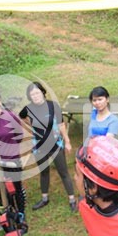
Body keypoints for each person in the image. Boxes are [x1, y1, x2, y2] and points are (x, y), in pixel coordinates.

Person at [19, 81, 77, 212]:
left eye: (37, 92)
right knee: (44, 172)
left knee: (64, 173)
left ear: (43, 92)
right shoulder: (28, 109)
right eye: (32, 94)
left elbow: (62, 125)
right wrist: (30, 125)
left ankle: (72, 199)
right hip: (39, 146)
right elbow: (22, 117)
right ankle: (44, 198)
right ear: (29, 96)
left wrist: (67, 141)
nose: (35, 96)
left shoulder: (53, 106)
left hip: (55, 144)